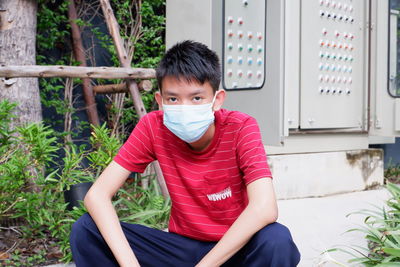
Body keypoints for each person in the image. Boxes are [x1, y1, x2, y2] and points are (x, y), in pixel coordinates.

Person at [70, 40, 300, 267]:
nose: (184, 108)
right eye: (173, 99)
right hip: (182, 248)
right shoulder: (153, 126)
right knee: (86, 229)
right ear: (160, 101)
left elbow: (264, 208)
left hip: (234, 249)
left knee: (276, 240)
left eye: (196, 98)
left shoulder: (241, 127)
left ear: (216, 100)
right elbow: (97, 195)